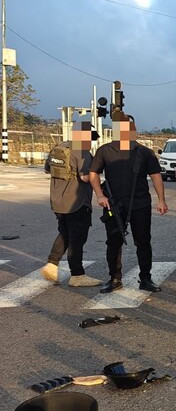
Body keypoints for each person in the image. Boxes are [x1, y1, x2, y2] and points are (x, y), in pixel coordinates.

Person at [88, 114, 167, 293]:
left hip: (140, 203)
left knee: (143, 242)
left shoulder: (144, 152)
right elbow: (94, 174)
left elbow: (156, 176)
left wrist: (161, 200)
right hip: (113, 204)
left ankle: (145, 279)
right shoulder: (105, 151)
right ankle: (114, 278)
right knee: (113, 242)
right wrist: (100, 195)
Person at [41, 121, 103, 287]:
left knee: (65, 234)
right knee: (77, 239)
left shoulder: (59, 148)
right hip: (76, 202)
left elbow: (47, 169)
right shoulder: (82, 152)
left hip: (58, 201)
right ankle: (77, 275)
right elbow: (85, 177)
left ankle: (52, 264)